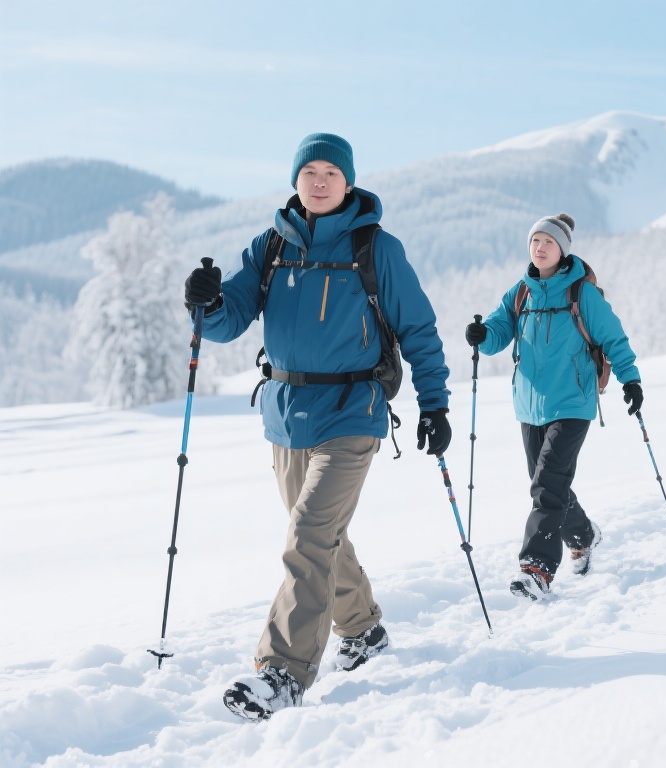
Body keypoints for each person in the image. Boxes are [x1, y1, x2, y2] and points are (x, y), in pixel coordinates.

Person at [183, 132, 452, 721]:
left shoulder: (374, 247)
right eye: (311, 171)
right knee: (324, 537)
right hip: (286, 416)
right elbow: (230, 319)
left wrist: (435, 404)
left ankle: (281, 671)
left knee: (308, 533)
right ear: (296, 180)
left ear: (349, 181)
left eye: (332, 171)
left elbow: (420, 330)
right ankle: (362, 631)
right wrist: (205, 303)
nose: (321, 180)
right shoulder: (272, 244)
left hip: (354, 412)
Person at [464, 213, 643, 600]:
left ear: (562, 249)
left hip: (573, 402)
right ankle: (583, 534)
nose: (540, 247)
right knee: (548, 484)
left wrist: (631, 380)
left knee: (547, 484)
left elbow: (613, 338)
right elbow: (497, 333)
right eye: (535, 241)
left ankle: (537, 569)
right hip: (530, 406)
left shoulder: (582, 294)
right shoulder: (520, 293)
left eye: (548, 241)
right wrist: (482, 335)